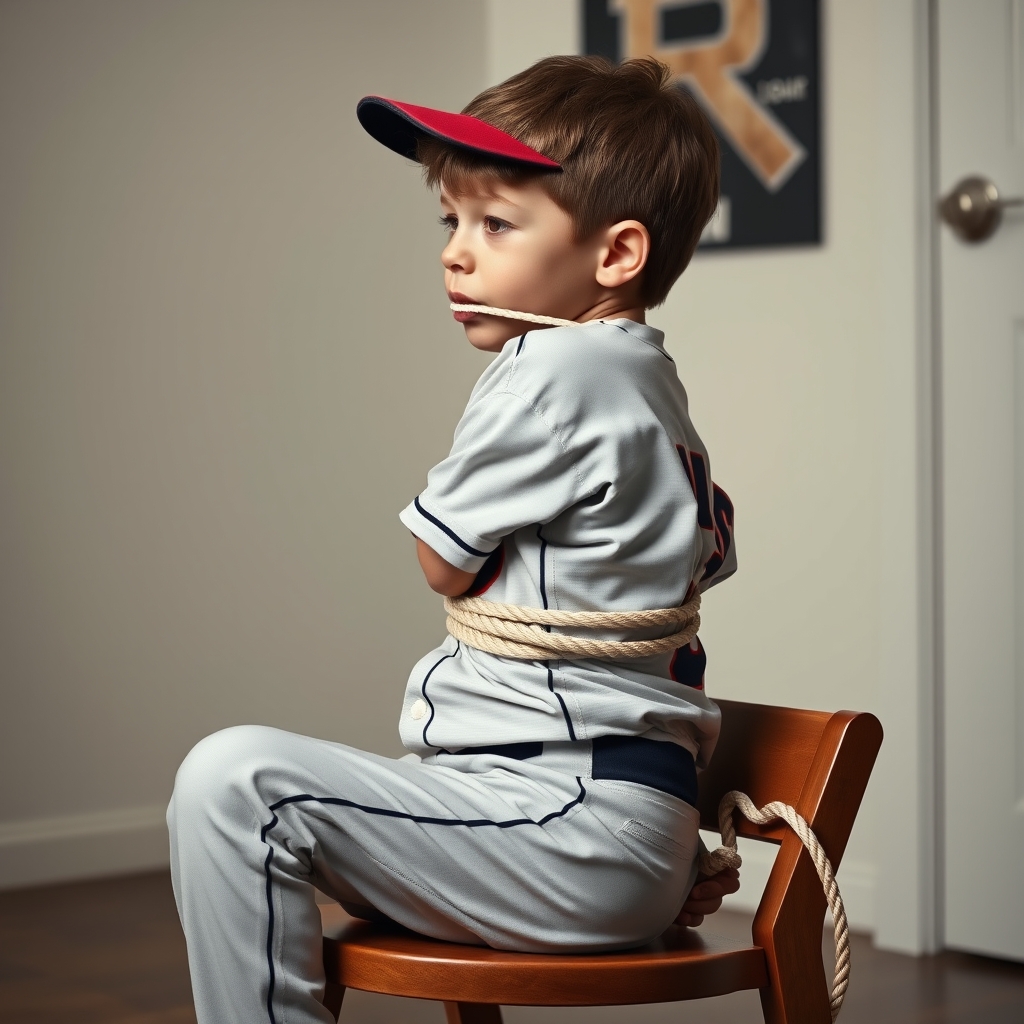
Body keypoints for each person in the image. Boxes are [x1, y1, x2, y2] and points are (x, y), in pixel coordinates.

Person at [167, 55, 739, 1024]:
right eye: (451, 220)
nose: (455, 252)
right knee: (268, 793)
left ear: (616, 255)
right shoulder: (654, 387)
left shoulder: (553, 366)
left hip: (569, 823)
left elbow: (442, 557)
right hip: (598, 819)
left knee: (235, 783)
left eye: (496, 223)